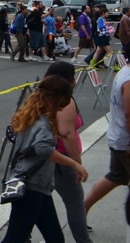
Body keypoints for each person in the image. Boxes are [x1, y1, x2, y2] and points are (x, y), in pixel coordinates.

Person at [0, 76, 88, 243]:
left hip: (37, 186)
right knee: (15, 238)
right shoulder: (41, 123)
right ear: (57, 99)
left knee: (54, 238)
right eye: (63, 103)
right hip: (32, 187)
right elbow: (44, 149)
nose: (63, 108)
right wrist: (74, 164)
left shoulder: (31, 116)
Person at [44, 61, 93, 243]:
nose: (76, 81)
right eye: (73, 77)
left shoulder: (43, 96)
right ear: (68, 80)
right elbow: (67, 134)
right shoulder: (65, 101)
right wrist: (77, 163)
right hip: (62, 159)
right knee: (75, 204)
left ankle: (24, 235)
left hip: (50, 158)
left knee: (39, 203)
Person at [84, 46, 130, 215]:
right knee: (115, 176)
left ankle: (82, 209)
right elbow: (129, 115)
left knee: (116, 176)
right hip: (125, 141)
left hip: (118, 137)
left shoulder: (124, 71)